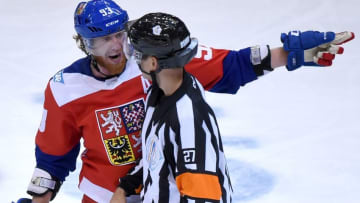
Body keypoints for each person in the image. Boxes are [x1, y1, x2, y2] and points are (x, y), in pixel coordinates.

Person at [17, 0, 354, 202]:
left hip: (168, 190)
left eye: (119, 33)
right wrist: (39, 198)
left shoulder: (155, 54)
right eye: (103, 39)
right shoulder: (66, 89)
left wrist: (290, 53)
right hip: (110, 196)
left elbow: (229, 65)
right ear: (84, 43)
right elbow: (53, 157)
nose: (116, 45)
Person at [114, 12, 233, 202]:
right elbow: (157, 155)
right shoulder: (160, 92)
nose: (134, 61)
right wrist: (125, 187)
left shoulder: (188, 119)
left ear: (153, 63)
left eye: (137, 54)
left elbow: (202, 198)